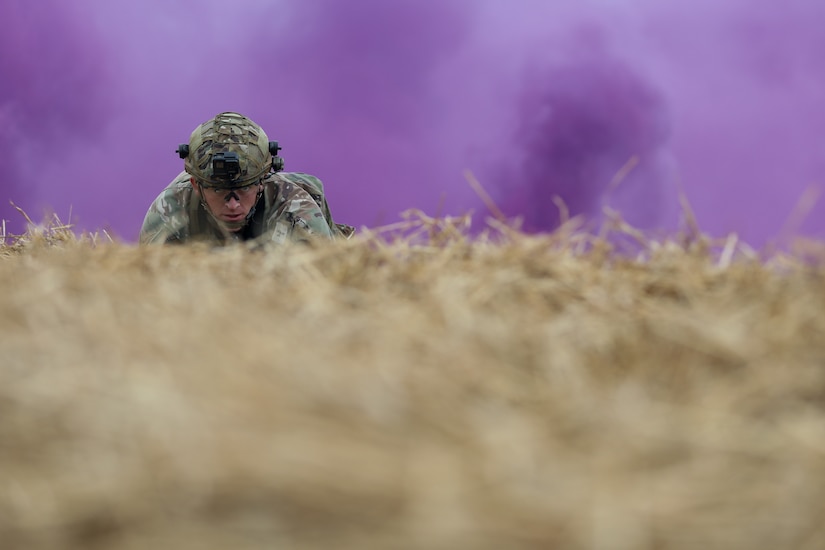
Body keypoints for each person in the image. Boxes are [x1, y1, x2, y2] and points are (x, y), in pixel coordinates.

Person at [140, 111, 352, 245]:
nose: (233, 204)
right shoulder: (169, 212)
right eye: (218, 190)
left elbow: (329, 282)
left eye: (244, 189)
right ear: (196, 185)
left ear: (262, 182)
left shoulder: (296, 212)